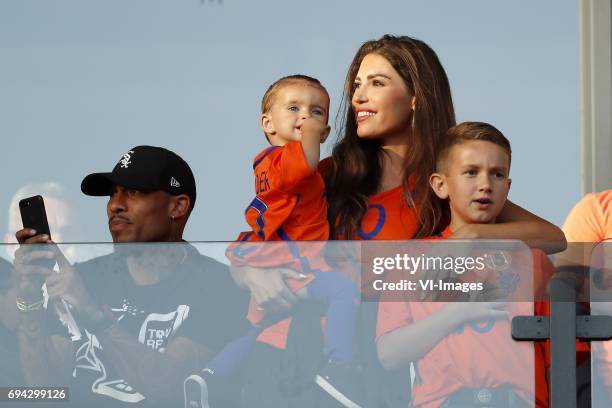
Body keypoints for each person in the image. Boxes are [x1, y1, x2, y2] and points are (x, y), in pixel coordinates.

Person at [233, 35, 566, 407]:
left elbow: (553, 237)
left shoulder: (444, 185)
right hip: (306, 356)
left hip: (392, 371)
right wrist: (249, 273)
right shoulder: (329, 176)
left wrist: (471, 235)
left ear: (415, 98)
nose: (359, 96)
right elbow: (260, 236)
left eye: (377, 83)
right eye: (357, 85)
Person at [12, 145, 249, 407]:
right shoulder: (84, 277)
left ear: (178, 206)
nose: (115, 205)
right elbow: (43, 389)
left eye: (133, 192)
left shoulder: (220, 286)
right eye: (113, 194)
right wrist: (30, 300)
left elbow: (168, 388)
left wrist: (94, 315)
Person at [207, 75, 360, 407]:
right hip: (295, 266)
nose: (305, 116)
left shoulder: (268, 164)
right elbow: (306, 163)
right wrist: (311, 135)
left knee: (258, 329)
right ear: (267, 123)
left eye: (316, 112)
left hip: (274, 266)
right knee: (343, 291)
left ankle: (211, 374)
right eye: (294, 108)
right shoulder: (287, 160)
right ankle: (339, 366)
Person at [376, 122, 552, 407]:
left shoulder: (532, 260)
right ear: (440, 185)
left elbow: (560, 356)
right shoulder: (409, 259)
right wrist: (455, 314)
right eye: (471, 172)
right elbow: (388, 354)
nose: (485, 184)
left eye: (497, 174)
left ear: (507, 187)